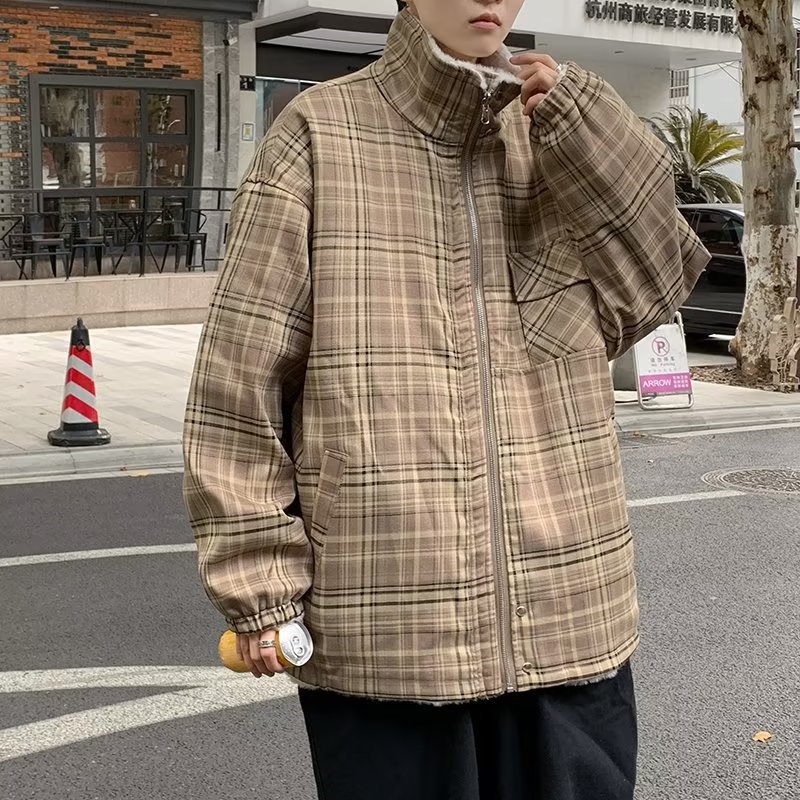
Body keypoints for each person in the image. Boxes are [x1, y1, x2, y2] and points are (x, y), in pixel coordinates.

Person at [183, 1, 709, 798]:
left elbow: (655, 289)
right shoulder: (320, 134)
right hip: (388, 629)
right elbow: (238, 382)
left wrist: (588, 129)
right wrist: (259, 584)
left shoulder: (558, 134)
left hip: (572, 608)